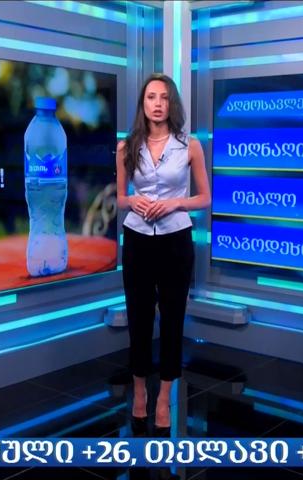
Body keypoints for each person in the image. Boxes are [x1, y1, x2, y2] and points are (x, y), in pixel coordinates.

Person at [116, 73, 210, 436]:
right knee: (139, 319)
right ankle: (140, 392)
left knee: (172, 319)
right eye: (151, 97)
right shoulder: (127, 147)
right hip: (138, 240)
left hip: (175, 241)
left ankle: (164, 396)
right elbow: (119, 198)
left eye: (164, 98)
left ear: (172, 104)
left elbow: (205, 198)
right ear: (142, 103)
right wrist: (132, 200)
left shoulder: (190, 146)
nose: (157, 104)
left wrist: (175, 203)